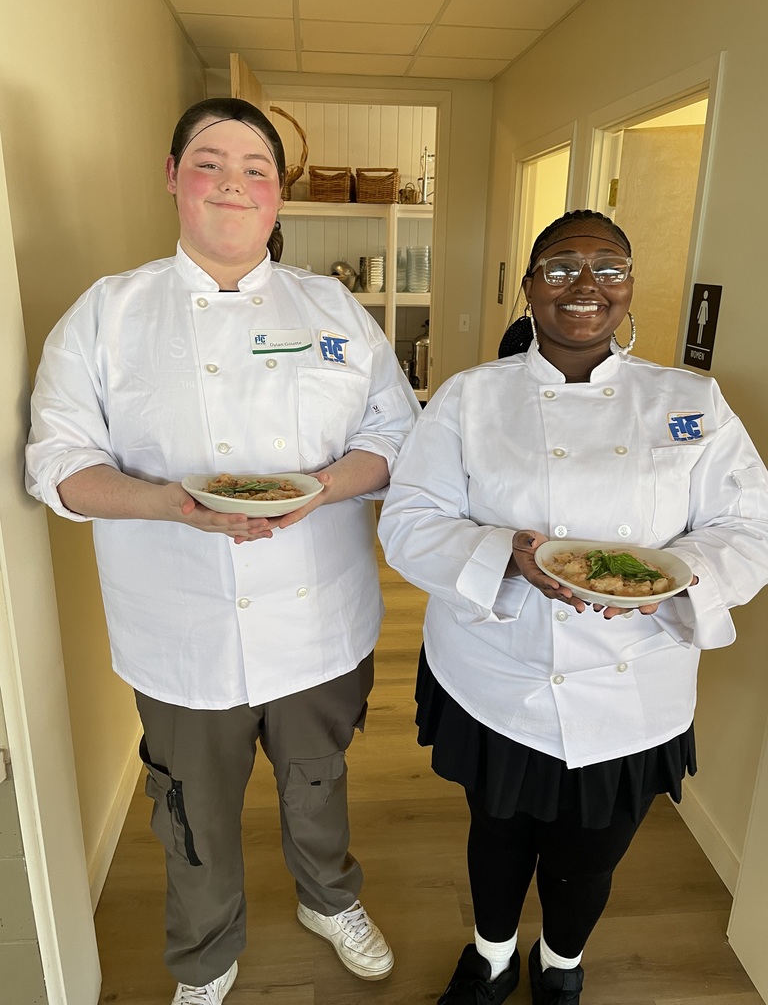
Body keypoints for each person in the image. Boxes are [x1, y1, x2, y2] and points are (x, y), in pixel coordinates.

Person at [26, 97, 420, 1005]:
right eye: (210, 162)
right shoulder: (108, 315)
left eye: (255, 169)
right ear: (172, 178)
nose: (233, 184)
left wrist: (323, 485)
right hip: (179, 629)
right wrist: (167, 503)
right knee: (189, 809)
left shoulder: (333, 309)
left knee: (318, 779)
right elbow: (58, 465)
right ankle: (204, 958)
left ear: (278, 195)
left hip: (319, 616)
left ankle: (330, 899)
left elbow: (398, 437)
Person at [378, 209, 768, 1005]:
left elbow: (748, 526)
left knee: (592, 850)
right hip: (496, 670)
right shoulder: (469, 398)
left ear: (629, 288)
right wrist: (506, 558)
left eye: (607, 267)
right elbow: (409, 521)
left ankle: (561, 965)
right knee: (497, 830)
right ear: (527, 289)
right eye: (558, 267)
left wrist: (670, 577)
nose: (584, 285)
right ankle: (489, 955)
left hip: (635, 681)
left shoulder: (689, 398)